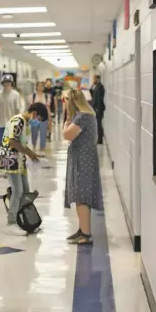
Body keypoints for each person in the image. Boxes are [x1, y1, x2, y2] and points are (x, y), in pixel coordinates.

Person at [63, 88, 104, 245]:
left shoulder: (83, 117)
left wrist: (66, 121)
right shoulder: (87, 114)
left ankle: (86, 234)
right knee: (80, 194)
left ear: (72, 101)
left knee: (81, 196)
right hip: (82, 158)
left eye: (66, 101)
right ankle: (82, 229)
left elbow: (66, 135)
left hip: (83, 160)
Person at [0, 108, 41, 235]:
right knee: (18, 191)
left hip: (19, 160)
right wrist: (28, 152)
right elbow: (13, 141)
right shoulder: (18, 121)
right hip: (11, 159)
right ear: (34, 113)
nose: (37, 122)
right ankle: (11, 223)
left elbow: (22, 143)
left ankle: (25, 220)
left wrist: (31, 154)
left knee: (26, 191)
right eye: (38, 119)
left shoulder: (25, 123)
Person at [0, 74, 23, 148]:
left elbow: (18, 111)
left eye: (9, 82)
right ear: (3, 83)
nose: (7, 84)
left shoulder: (16, 95)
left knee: (10, 146)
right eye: (5, 82)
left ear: (12, 83)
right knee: (0, 145)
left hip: (12, 125)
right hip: (0, 124)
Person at [29, 82, 52, 151]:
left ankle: (42, 150)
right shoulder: (32, 96)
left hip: (43, 117)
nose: (40, 88)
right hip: (34, 118)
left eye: (41, 86)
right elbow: (30, 108)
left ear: (43, 87)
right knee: (34, 134)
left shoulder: (46, 96)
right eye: (38, 86)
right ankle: (34, 147)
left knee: (43, 135)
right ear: (36, 87)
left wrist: (49, 118)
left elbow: (48, 108)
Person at [90, 75, 106, 145]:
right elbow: (92, 95)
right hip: (96, 108)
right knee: (97, 124)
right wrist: (91, 86)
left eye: (94, 79)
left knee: (98, 124)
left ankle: (99, 140)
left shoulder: (100, 87)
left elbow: (99, 99)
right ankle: (99, 138)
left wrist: (98, 109)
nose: (93, 80)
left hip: (98, 109)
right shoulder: (96, 86)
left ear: (98, 79)